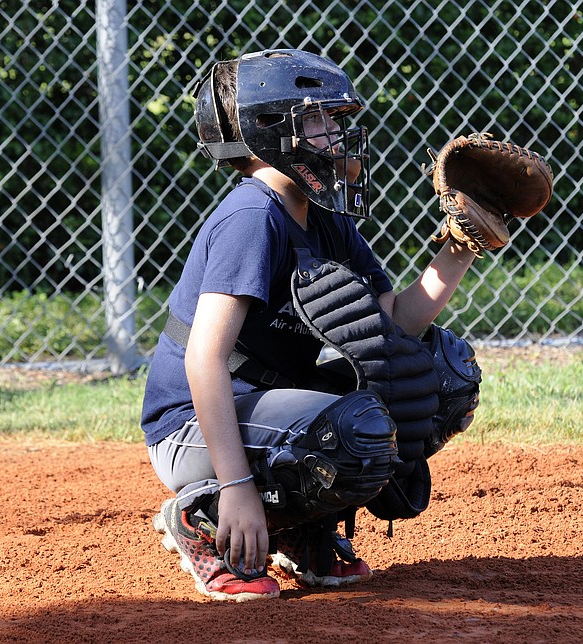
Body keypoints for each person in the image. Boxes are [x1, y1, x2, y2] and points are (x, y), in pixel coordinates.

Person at [141, 49, 482, 602]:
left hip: (270, 413)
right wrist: (236, 486)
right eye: (322, 119)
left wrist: (460, 246)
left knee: (441, 379)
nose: (339, 133)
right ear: (270, 129)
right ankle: (204, 516)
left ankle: (299, 530)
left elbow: (393, 324)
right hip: (195, 427)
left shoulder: (320, 216)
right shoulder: (252, 218)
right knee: (358, 431)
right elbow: (202, 359)